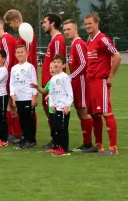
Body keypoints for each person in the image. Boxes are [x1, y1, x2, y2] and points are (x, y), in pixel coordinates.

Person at [83, 13, 121, 156]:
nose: (87, 26)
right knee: (94, 114)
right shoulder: (89, 40)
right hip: (91, 81)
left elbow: (117, 56)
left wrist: (110, 76)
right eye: (86, 24)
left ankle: (113, 147)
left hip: (100, 80)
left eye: (90, 23)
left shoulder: (103, 39)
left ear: (97, 23)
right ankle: (99, 145)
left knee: (106, 112)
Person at [62, 19, 94, 152]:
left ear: (75, 29)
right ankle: (87, 143)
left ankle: (88, 144)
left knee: (83, 111)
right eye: (64, 30)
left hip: (81, 81)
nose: (66, 32)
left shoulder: (79, 44)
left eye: (69, 29)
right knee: (81, 111)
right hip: (76, 81)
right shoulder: (74, 44)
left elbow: (84, 64)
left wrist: (71, 76)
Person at [40, 13, 66, 149]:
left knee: (53, 109)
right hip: (49, 83)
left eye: (45, 22)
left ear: (52, 24)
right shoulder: (54, 40)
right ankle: (55, 137)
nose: (43, 24)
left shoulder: (57, 40)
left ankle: (57, 139)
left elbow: (58, 62)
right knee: (48, 109)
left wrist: (54, 84)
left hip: (53, 84)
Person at [10, 45, 38, 149]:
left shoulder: (30, 67)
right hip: (19, 98)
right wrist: (13, 95)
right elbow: (12, 83)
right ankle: (25, 138)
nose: (20, 54)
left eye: (22, 52)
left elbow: (34, 82)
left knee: (29, 120)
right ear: (15, 54)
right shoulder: (14, 68)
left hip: (28, 97)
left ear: (27, 53)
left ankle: (30, 140)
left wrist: (34, 96)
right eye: (18, 52)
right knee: (21, 119)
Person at [49, 55, 74, 156]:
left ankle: (64, 149)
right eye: (54, 62)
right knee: (56, 128)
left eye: (58, 62)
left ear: (64, 65)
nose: (56, 64)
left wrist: (67, 105)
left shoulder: (65, 77)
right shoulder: (54, 78)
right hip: (56, 108)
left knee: (62, 129)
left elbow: (70, 93)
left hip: (63, 108)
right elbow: (51, 93)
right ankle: (58, 146)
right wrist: (52, 104)